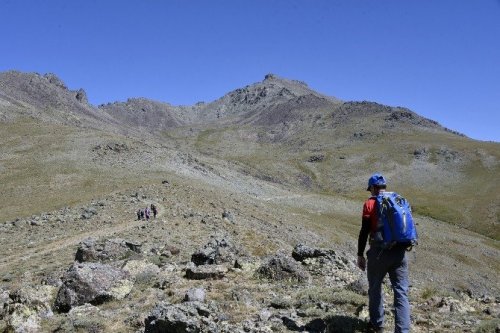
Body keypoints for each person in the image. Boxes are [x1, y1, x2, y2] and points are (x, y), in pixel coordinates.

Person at [357, 173, 411, 333]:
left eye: (370, 189)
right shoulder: (398, 200)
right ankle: (403, 330)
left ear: (373, 188)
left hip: (379, 252)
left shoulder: (370, 204)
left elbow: (364, 231)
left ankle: (378, 325)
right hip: (400, 252)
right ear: (384, 186)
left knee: (375, 288)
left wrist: (360, 254)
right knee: (401, 291)